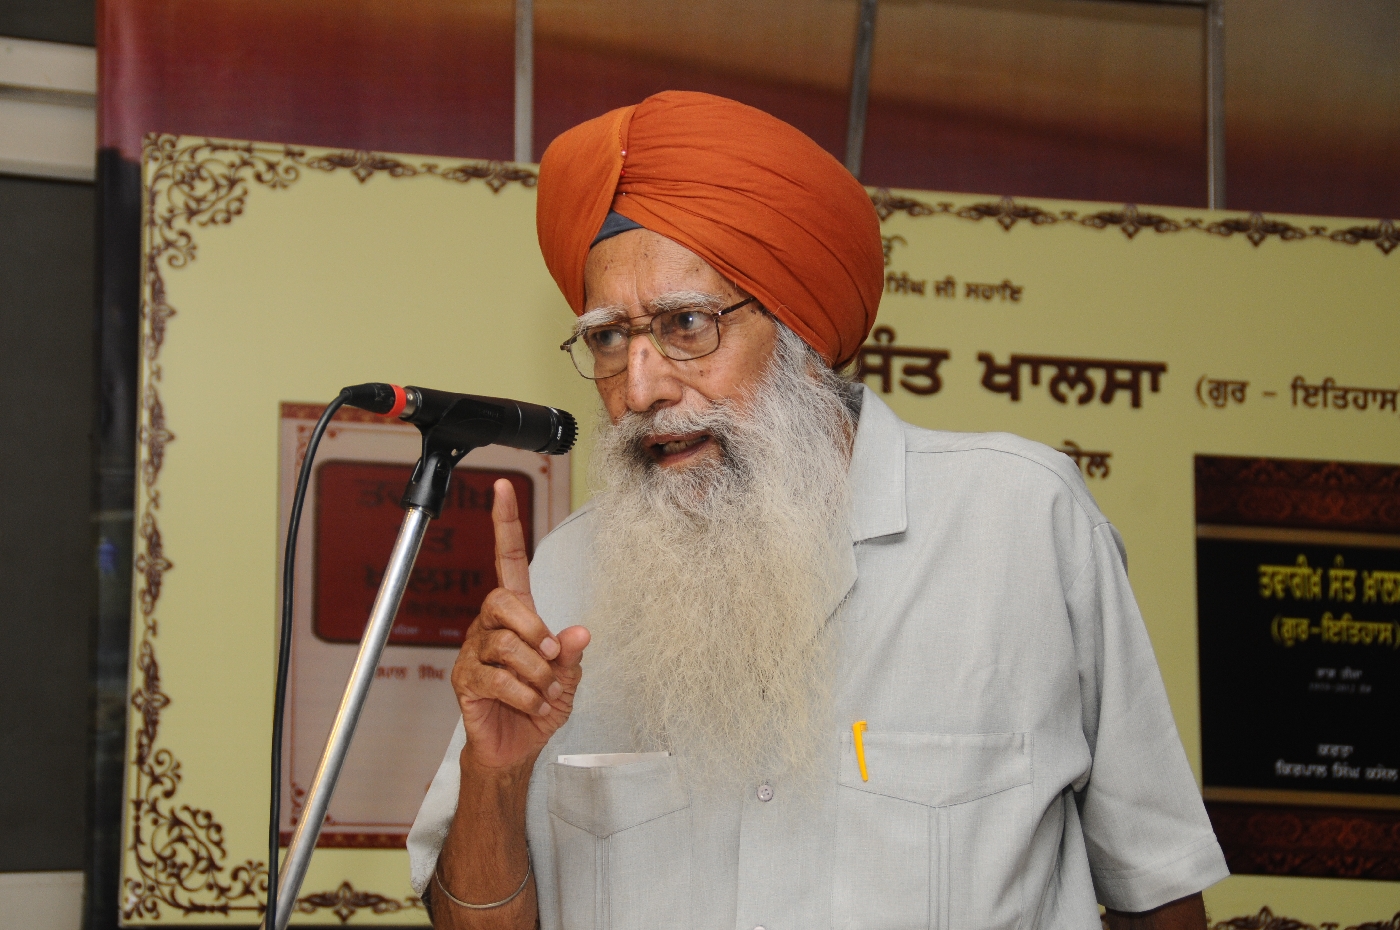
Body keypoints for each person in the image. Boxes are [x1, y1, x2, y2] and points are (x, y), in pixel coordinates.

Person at [408, 90, 1228, 930]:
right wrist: (495, 779)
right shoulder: (565, 580)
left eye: (687, 324)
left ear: (800, 332)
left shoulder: (1023, 525)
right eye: (610, 338)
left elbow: (1157, 894)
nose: (640, 388)